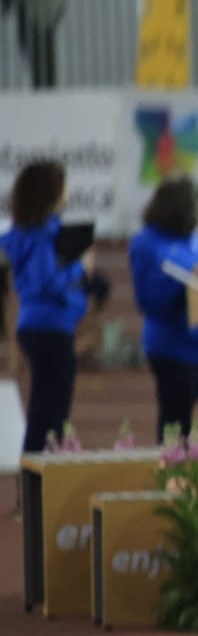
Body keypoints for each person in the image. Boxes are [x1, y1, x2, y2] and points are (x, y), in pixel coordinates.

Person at [128, 178, 198, 459]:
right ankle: (174, 480)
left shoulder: (196, 242)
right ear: (180, 207)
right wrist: (186, 285)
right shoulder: (146, 245)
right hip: (175, 349)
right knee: (176, 428)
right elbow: (148, 300)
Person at [1, 161, 90, 457]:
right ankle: (37, 478)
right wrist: (79, 269)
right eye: (64, 187)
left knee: (48, 408)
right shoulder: (42, 236)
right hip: (50, 327)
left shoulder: (23, 233)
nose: (68, 193)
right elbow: (47, 282)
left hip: (39, 325)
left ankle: (38, 475)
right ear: (52, 192)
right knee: (49, 413)